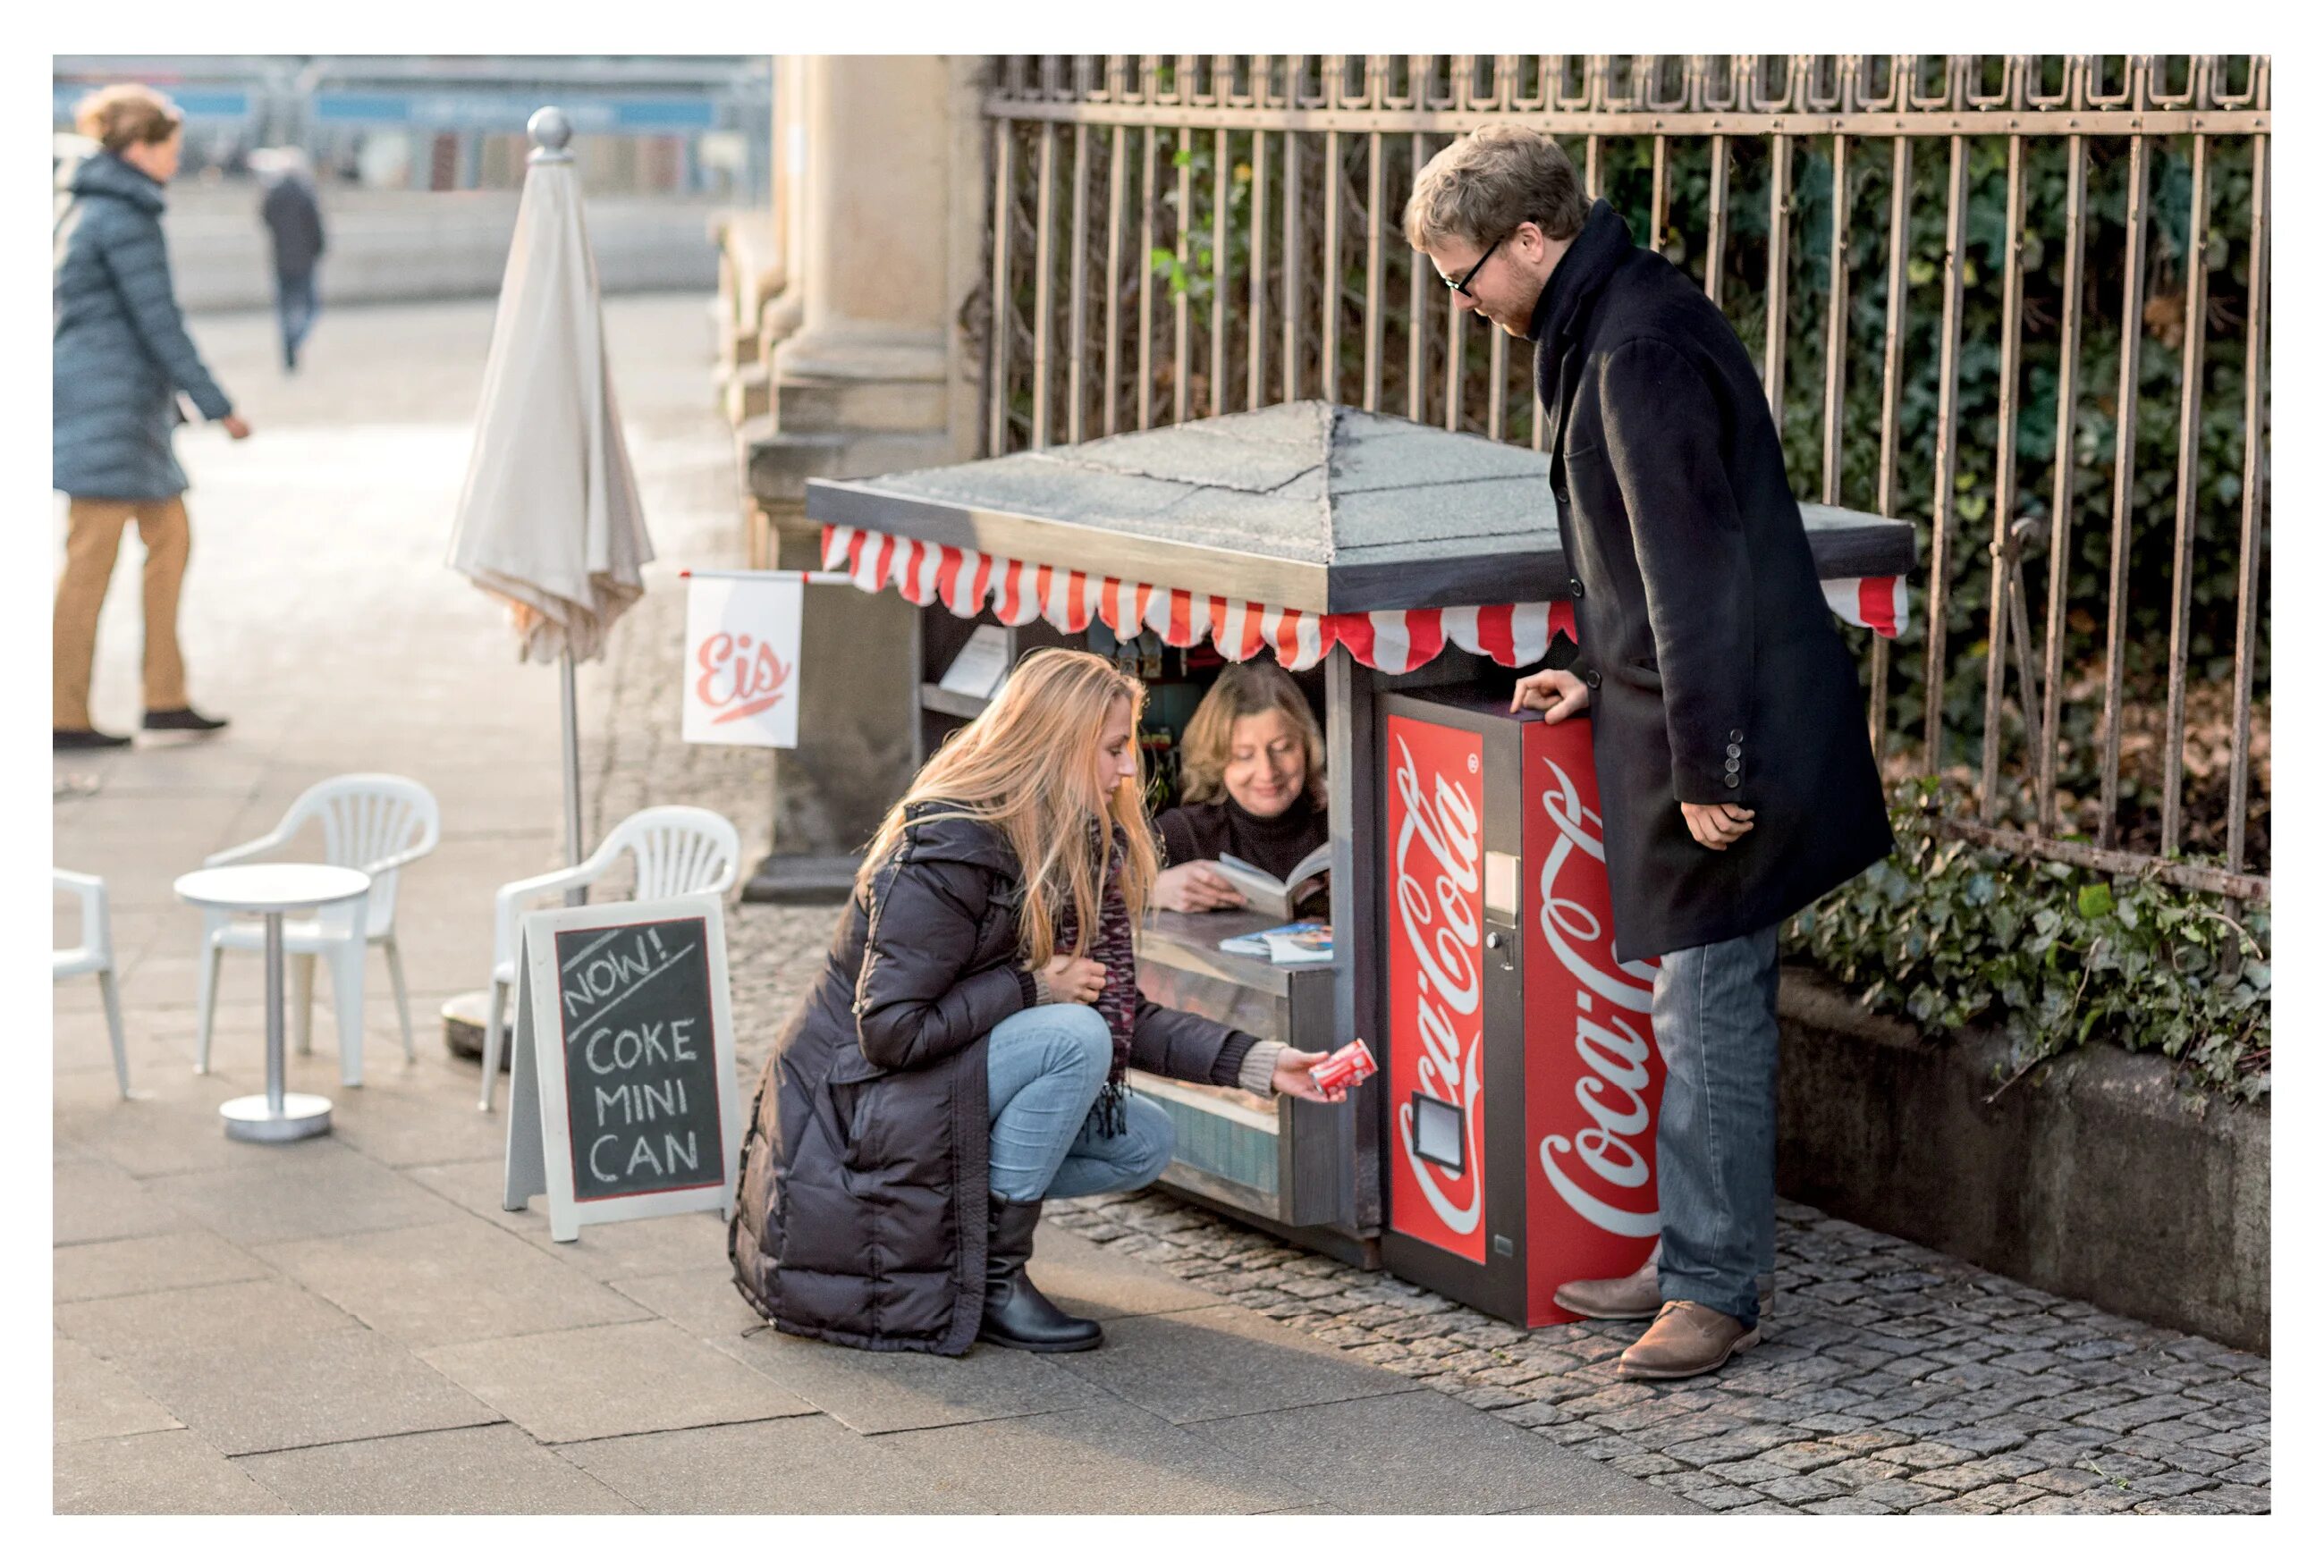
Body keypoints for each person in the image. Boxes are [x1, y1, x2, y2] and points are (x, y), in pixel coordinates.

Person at [1406, 126, 1892, 1379]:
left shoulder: (1633, 346)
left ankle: (1712, 1287)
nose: (1462, 308)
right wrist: (1587, 655)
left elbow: (1696, 581)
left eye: (1464, 280)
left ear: (1529, 238)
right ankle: (1690, 1254)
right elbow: (1638, 557)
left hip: (1732, 731)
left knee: (1707, 1004)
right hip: (1692, 710)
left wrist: (1710, 766)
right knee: (1688, 1002)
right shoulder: (1609, 318)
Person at [730, 648, 1348, 1355]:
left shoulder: (1065, 841)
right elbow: (889, 1033)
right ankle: (994, 1278)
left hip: (921, 1097)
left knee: (1142, 1139)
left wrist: (1261, 1064)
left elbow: (1122, 1013)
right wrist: (1032, 987)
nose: (1127, 769)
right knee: (1071, 1036)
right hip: (851, 1118)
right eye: (1114, 749)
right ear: (1056, 745)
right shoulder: (947, 847)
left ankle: (964, 1243)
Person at [54, 84, 246, 750]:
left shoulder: (88, 205)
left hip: (117, 411)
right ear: (139, 148)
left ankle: (165, 697)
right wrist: (221, 406)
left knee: (167, 538)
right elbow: (161, 324)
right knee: (91, 561)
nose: (175, 160)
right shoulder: (121, 216)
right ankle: (61, 711)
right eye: (170, 148)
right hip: (107, 413)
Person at [1150, 660, 1330, 914]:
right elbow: (1086, 892)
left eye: (1282, 749)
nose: (1267, 772)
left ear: (1308, 747)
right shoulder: (1185, 833)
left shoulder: (1342, 823)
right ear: (1215, 759)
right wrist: (1151, 890)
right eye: (1244, 756)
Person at [257, 148, 325, 373]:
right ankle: (295, 338)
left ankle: (289, 339)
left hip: (280, 259)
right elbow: (316, 227)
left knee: (285, 308)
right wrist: (318, 250)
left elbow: (264, 218)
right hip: (305, 260)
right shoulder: (306, 194)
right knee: (311, 306)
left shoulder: (273, 194)